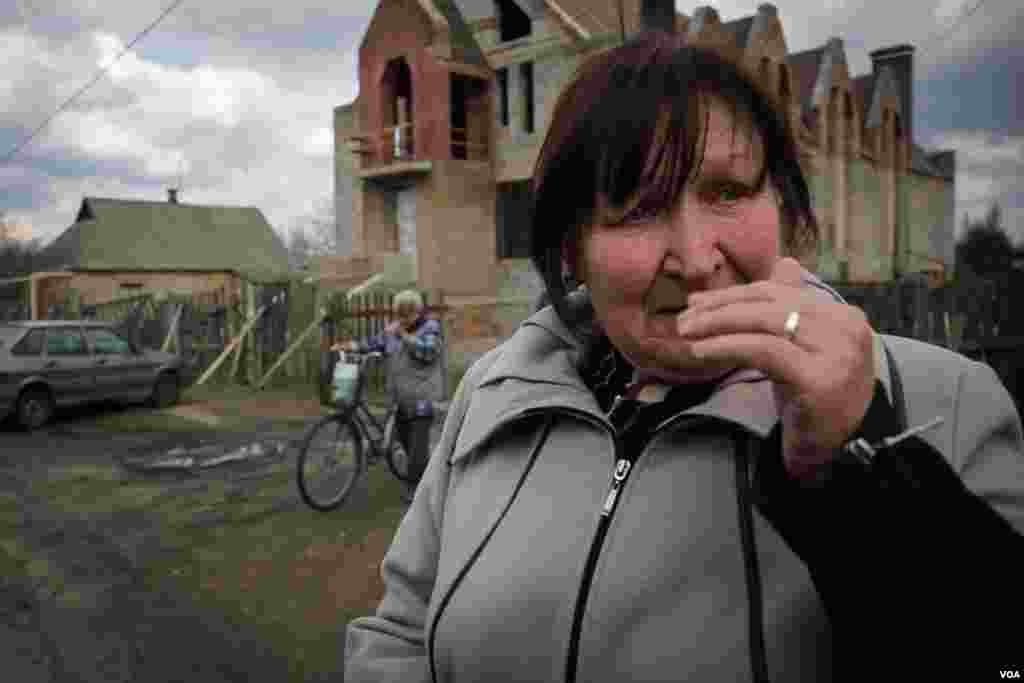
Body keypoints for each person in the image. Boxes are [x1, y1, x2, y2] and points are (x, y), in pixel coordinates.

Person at [345, 32, 1024, 681]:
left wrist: (861, 463)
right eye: (638, 208)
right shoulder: (493, 394)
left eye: (729, 192)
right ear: (572, 248)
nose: (697, 261)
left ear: (782, 207)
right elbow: (401, 634)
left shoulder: (945, 402)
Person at [333, 289, 445, 498]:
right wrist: (349, 346)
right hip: (401, 398)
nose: (401, 319)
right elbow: (373, 343)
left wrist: (404, 336)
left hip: (423, 396)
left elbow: (428, 352)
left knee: (418, 445)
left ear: (417, 312)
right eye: (399, 314)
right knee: (405, 441)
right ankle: (429, 474)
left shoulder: (430, 328)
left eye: (406, 314)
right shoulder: (393, 331)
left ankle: (416, 491)